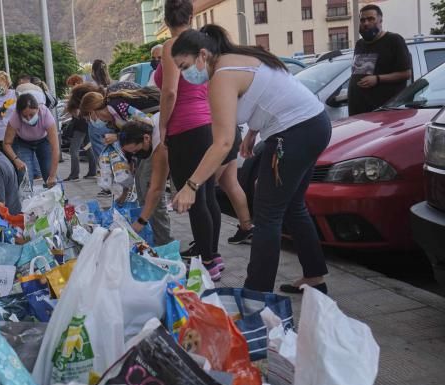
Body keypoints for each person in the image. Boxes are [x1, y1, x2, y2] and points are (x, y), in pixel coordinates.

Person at [171, 25, 332, 294]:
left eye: (184, 65)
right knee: (293, 206)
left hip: (294, 133)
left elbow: (221, 143)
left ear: (202, 55)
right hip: (314, 124)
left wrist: (191, 185)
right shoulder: (240, 58)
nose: (185, 74)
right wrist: (254, 131)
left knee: (267, 215)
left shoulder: (222, 75)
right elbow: (269, 91)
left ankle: (255, 295)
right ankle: (315, 277)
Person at [157, 0, 245, 281]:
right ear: (191, 14)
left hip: (185, 127)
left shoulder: (173, 46)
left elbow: (169, 92)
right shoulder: (203, 43)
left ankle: (208, 260)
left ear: (165, 16)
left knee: (193, 196)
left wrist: (163, 126)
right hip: (206, 125)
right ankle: (211, 254)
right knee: (207, 196)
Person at [348, 4, 412, 116]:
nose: (366, 23)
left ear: (380, 20)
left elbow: (406, 73)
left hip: (383, 113)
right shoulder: (360, 44)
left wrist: (377, 79)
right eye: (363, 20)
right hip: (358, 112)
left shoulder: (394, 40)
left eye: (371, 19)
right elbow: (358, 73)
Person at [118, 117, 173, 246]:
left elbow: (157, 189)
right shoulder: (143, 128)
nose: (136, 155)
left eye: (136, 151)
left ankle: (165, 244)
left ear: (146, 138)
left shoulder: (160, 145)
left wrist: (141, 221)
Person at [3, 93, 60, 187]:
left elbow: (55, 148)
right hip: (22, 143)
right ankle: (26, 200)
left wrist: (53, 176)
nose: (29, 118)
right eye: (25, 116)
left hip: (43, 141)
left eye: (32, 114)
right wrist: (16, 160)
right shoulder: (15, 117)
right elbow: (6, 143)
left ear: (38, 109)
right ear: (19, 113)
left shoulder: (45, 114)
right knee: (25, 176)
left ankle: (59, 199)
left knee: (49, 173)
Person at [65, 75, 97, 181]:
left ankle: (74, 174)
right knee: (88, 147)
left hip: (80, 125)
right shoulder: (88, 90)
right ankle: (92, 171)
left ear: (75, 83)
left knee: (73, 149)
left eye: (71, 85)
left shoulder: (77, 93)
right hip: (88, 123)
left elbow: (76, 110)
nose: (70, 88)